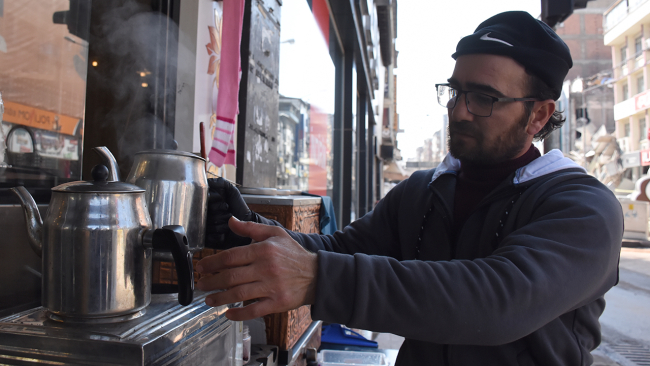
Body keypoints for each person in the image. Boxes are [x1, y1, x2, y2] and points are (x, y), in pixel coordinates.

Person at [197, 11, 623, 365]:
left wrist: (320, 277)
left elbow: (498, 301)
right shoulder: (424, 191)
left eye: (484, 98)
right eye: (455, 92)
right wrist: (251, 231)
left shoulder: (583, 208)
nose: (459, 112)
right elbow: (343, 250)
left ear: (539, 115)